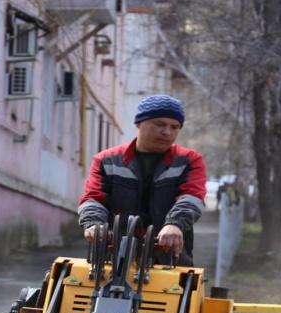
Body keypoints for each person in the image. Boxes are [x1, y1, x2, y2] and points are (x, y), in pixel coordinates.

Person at [77, 94, 206, 263]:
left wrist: (175, 224)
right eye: (159, 124)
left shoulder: (188, 160)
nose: (167, 132)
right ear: (139, 123)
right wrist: (94, 224)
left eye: (174, 127)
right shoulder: (107, 160)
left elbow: (192, 198)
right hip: (111, 258)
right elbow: (93, 198)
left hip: (169, 258)